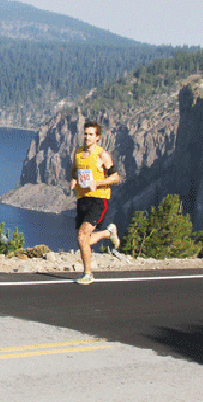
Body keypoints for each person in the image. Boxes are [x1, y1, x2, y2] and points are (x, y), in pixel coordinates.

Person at [68, 120, 121, 285]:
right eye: (85, 133)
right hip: (82, 199)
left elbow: (116, 178)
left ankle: (88, 274)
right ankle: (107, 234)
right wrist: (74, 180)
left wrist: (97, 183)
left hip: (99, 199)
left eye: (91, 134)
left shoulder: (102, 155)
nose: (87, 137)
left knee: (83, 235)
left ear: (97, 137)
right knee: (82, 239)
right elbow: (75, 171)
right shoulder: (78, 153)